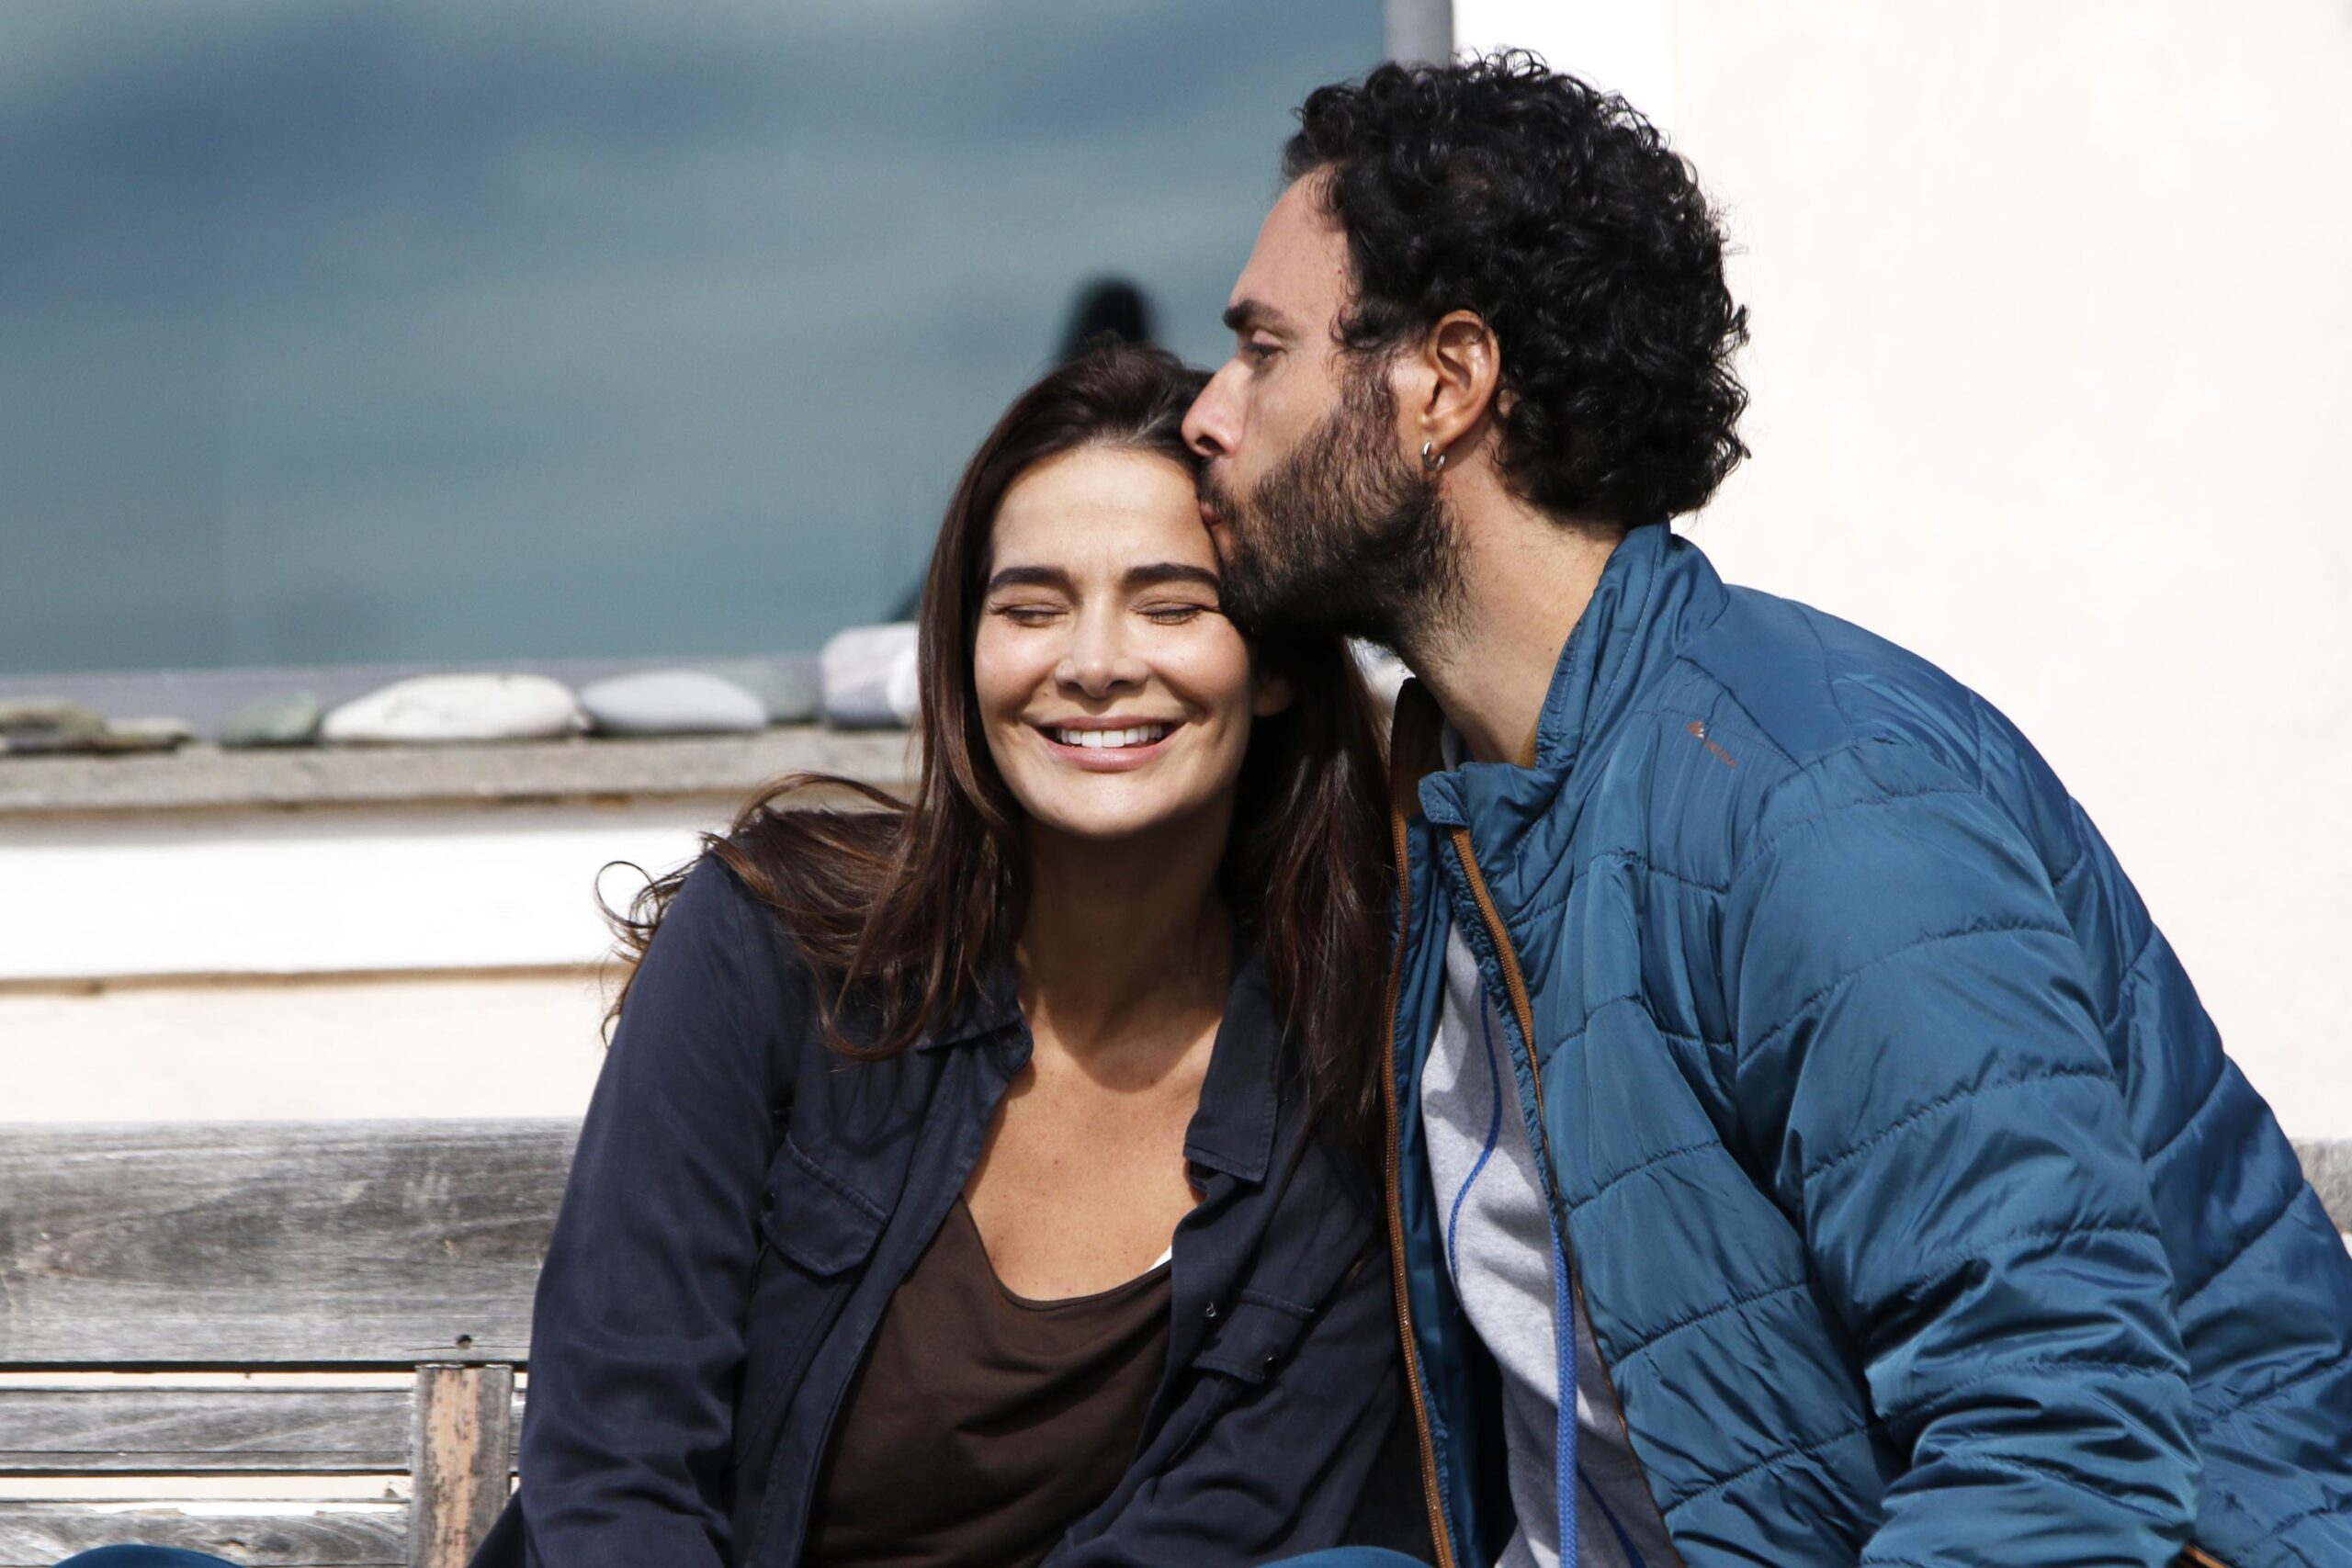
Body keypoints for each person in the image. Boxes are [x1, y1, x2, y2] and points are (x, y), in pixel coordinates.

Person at [1181, 52, 2352, 1568]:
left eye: (1262, 351)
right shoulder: (1470, 799)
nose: (1206, 414)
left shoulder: (1814, 807)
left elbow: (2061, 1449)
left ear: (1445, 386)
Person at [458, 342, 1423, 1568]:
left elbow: (1218, 1529)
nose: (1093, 661)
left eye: (1174, 605)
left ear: (1274, 663)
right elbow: (618, 1462)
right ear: (964, 660)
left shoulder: (1355, 1067)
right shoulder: (774, 945)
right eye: (1030, 608)